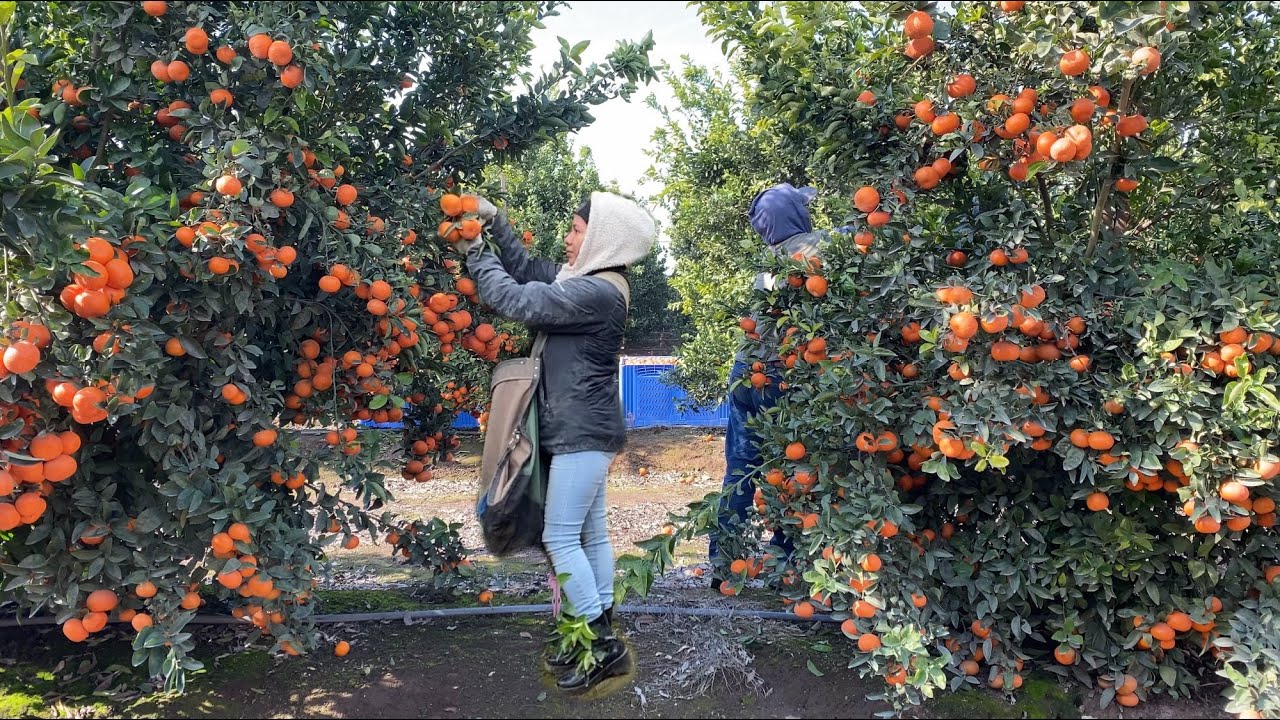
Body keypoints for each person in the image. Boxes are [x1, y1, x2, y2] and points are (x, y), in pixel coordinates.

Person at [463, 191, 656, 692]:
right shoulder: (587, 281)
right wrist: (496, 220)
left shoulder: (595, 293)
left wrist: (474, 248)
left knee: (560, 538)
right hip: (586, 429)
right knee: (590, 536)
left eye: (575, 231)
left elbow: (513, 298)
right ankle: (597, 630)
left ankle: (597, 645)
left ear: (600, 240)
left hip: (579, 432)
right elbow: (527, 269)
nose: (567, 239)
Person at [709, 183, 825, 591]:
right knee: (793, 470)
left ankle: (724, 563)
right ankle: (786, 566)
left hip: (747, 373)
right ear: (795, 215)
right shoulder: (809, 248)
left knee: (742, 469)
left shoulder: (767, 262)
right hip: (783, 375)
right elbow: (858, 236)